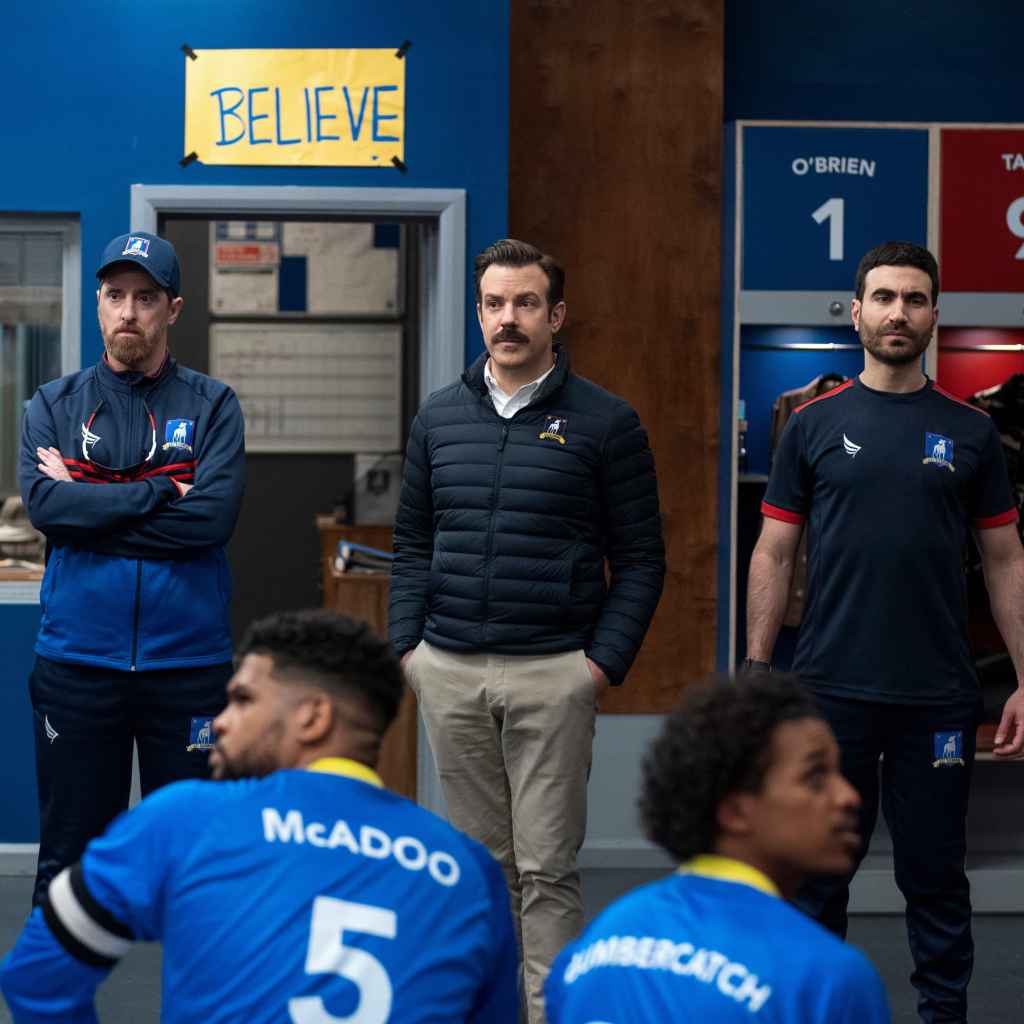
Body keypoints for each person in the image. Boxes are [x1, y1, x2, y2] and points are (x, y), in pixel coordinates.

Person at [745, 240, 1024, 1023]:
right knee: (817, 875)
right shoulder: (811, 425)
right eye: (884, 297)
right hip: (828, 691)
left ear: (934, 315)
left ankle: (944, 1013)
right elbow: (773, 551)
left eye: (914, 299)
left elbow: (1005, 558)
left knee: (936, 879)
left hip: (936, 696)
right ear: (857, 311)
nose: (898, 312)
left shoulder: (971, 433)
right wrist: (758, 670)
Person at [389, 238, 665, 1022]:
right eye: (494, 304)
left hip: (554, 672)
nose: (507, 319)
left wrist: (598, 666)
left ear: (557, 314)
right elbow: (411, 545)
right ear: (479, 313)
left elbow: (641, 560)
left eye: (525, 303)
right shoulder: (439, 417)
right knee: (479, 870)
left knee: (546, 870)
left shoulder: (607, 423)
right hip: (449, 669)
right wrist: (409, 650)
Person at [0, 609, 518, 1023]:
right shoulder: (469, 871)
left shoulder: (186, 819)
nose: (221, 723)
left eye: (243, 700)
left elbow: (35, 976)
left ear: (313, 717)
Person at [18, 230, 246, 905]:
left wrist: (87, 505)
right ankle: (61, 980)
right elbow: (47, 510)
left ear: (172, 309)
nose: (128, 311)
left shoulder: (213, 405)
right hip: (78, 666)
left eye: (145, 298)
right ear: (98, 303)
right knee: (70, 860)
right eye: (115, 295)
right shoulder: (52, 405)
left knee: (197, 863)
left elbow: (210, 522)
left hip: (189, 669)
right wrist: (160, 490)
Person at [544, 672, 891, 1023]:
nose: (848, 796)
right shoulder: (829, 980)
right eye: (815, 778)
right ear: (735, 811)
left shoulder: (587, 948)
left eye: (839, 774)